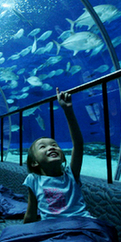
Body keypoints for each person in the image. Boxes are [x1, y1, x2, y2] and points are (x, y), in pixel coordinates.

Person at [23, 87, 92, 223]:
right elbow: (30, 214)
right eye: (43, 147)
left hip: (81, 223)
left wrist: (68, 110)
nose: (51, 148)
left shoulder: (71, 174)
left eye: (54, 145)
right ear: (34, 162)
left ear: (62, 156)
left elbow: (78, 144)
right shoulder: (33, 180)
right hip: (52, 228)